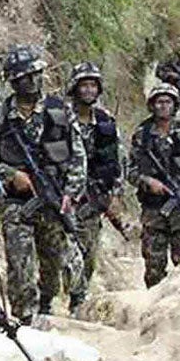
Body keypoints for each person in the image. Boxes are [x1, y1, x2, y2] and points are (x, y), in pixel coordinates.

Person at [0, 45, 86, 323]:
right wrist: (10, 175)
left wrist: (71, 193)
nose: (33, 81)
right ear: (14, 81)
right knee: (19, 261)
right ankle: (24, 315)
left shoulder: (59, 112)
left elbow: (77, 155)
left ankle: (48, 302)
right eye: (25, 77)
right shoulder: (1, 115)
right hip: (16, 203)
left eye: (36, 75)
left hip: (54, 196)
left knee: (54, 259)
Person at [130, 83, 180, 286]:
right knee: (154, 269)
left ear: (175, 105)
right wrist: (147, 181)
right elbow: (129, 171)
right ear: (152, 105)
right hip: (154, 210)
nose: (163, 106)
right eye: (159, 102)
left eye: (168, 102)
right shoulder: (142, 135)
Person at [63, 61, 122, 317]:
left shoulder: (106, 121)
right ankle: (62, 297)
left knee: (88, 253)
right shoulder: (62, 118)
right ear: (75, 88)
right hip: (65, 193)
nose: (88, 90)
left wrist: (114, 195)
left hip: (94, 196)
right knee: (66, 253)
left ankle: (79, 299)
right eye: (83, 85)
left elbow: (117, 160)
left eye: (92, 85)